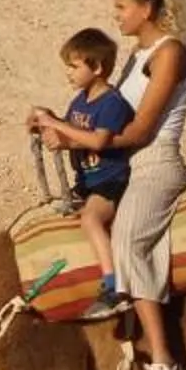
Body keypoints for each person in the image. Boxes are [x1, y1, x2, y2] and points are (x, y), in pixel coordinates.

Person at [32, 0, 186, 370]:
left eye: (123, 8)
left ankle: (165, 364)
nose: (117, 16)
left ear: (146, 8)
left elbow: (141, 131)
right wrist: (60, 127)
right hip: (120, 167)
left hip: (154, 165)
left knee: (127, 240)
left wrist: (70, 134)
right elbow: (105, 118)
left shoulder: (170, 54)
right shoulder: (132, 57)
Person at [47, 26, 137, 301]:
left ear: (96, 67)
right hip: (86, 182)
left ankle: (113, 283)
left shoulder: (112, 104)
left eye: (74, 66)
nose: (68, 73)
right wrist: (44, 124)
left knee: (90, 218)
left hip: (109, 182)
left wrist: (55, 126)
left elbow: (98, 142)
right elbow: (70, 133)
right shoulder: (80, 102)